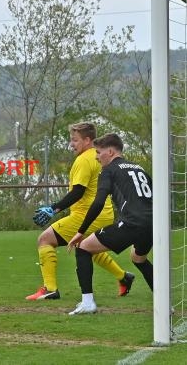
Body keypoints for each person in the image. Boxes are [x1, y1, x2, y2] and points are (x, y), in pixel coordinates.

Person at [26, 122, 134, 300]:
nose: (71, 144)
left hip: (86, 215)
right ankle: (124, 277)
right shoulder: (99, 157)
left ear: (87, 140)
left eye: (74, 140)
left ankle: (50, 288)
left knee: (44, 239)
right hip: (105, 214)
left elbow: (78, 191)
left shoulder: (84, 160)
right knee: (88, 248)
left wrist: (53, 209)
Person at [67, 133, 153, 315]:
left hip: (131, 223)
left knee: (83, 248)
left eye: (98, 152)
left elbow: (98, 203)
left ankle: (87, 302)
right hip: (152, 222)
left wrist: (80, 231)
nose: (97, 157)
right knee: (139, 258)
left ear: (111, 152)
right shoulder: (138, 168)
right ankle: (164, 302)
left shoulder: (109, 170)